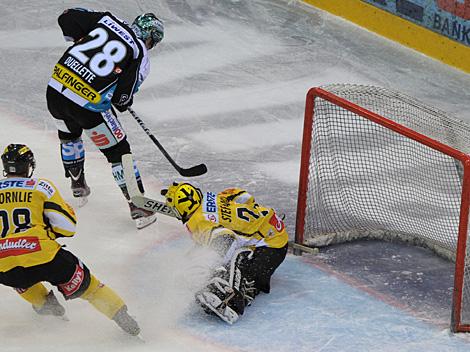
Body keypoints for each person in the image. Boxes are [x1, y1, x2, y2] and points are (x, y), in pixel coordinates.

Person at [0, 144, 140, 336]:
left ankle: (49, 309)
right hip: (46, 257)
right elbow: (67, 227)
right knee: (90, 289)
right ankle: (127, 323)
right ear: (28, 165)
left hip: (4, 263)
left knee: (18, 276)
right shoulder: (40, 187)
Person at [46, 8, 164, 229]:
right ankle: (138, 206)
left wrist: (80, 40)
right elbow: (120, 100)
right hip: (86, 105)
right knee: (119, 152)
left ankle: (77, 184)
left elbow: (66, 16)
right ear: (149, 38)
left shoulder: (108, 20)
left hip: (55, 91)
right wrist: (125, 100)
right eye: (152, 43)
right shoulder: (140, 53)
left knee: (68, 134)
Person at [161, 182, 289, 324]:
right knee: (227, 253)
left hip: (271, 247)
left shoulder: (199, 221)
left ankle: (234, 301)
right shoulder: (213, 197)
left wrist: (209, 268)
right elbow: (245, 196)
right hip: (273, 227)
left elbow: (227, 240)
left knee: (240, 265)